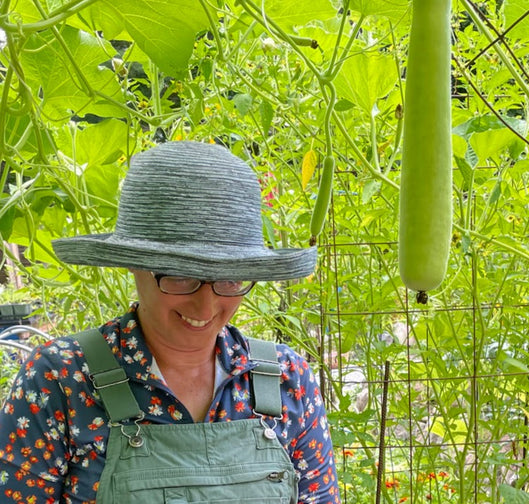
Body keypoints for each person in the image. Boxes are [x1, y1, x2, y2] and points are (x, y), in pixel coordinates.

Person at [0, 141, 341, 504]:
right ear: (133, 264)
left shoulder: (288, 378)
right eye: (180, 276)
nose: (206, 304)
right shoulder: (62, 380)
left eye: (230, 279)